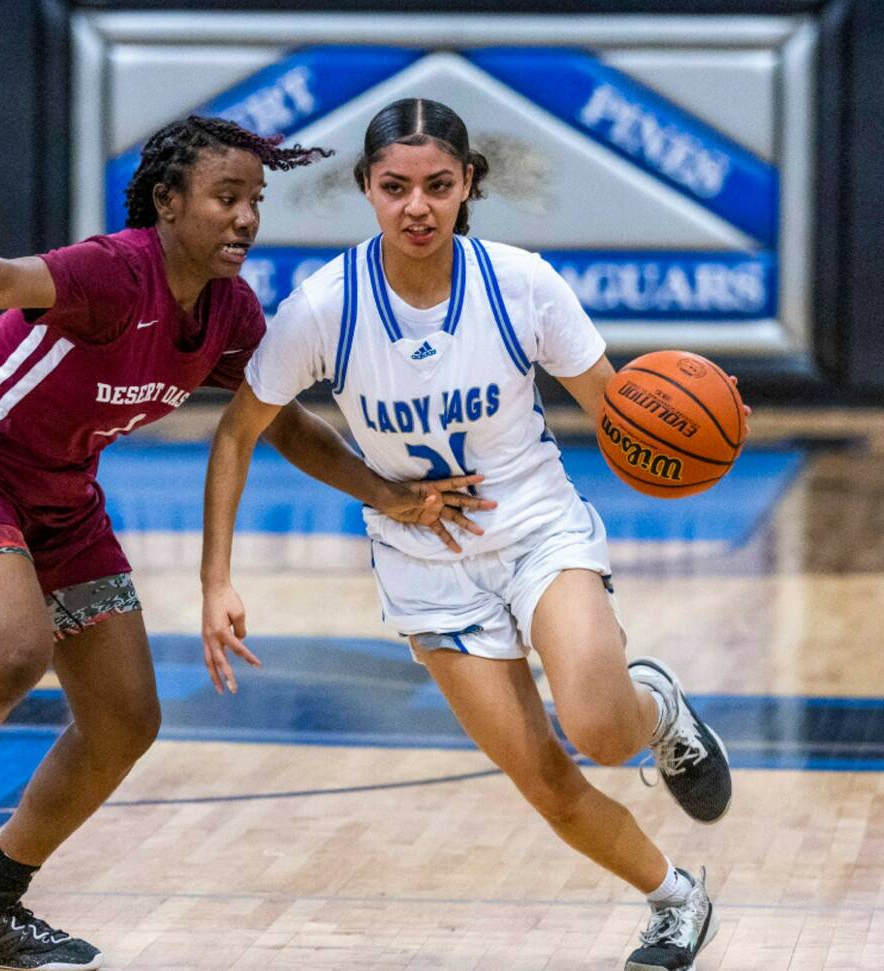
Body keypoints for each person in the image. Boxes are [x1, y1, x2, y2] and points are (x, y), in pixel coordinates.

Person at [0, 114, 490, 970]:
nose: (246, 218)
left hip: (64, 499)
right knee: (16, 648)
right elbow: (2, 279)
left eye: (255, 199)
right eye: (225, 197)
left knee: (126, 719)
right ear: (169, 202)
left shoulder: (229, 311)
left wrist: (388, 495)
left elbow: (282, 425)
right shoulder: (114, 269)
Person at [200, 99, 743, 971]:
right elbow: (238, 430)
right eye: (396, 187)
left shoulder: (521, 283)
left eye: (438, 186)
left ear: (468, 187)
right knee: (550, 785)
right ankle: (678, 899)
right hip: (426, 567)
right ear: (366, 189)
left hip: (535, 529)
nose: (417, 206)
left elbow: (619, 411)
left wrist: (706, 422)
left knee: (603, 730)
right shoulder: (324, 308)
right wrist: (216, 578)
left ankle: (659, 709)